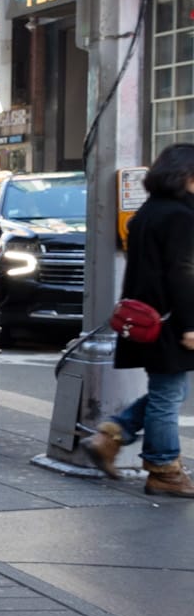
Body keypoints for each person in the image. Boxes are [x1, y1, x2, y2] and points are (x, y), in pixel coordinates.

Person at [83, 143, 194, 496]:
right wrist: (190, 325)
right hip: (169, 319)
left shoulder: (149, 211)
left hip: (147, 316)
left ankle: (113, 435)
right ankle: (163, 469)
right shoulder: (180, 216)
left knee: (170, 389)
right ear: (187, 176)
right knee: (167, 395)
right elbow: (183, 273)